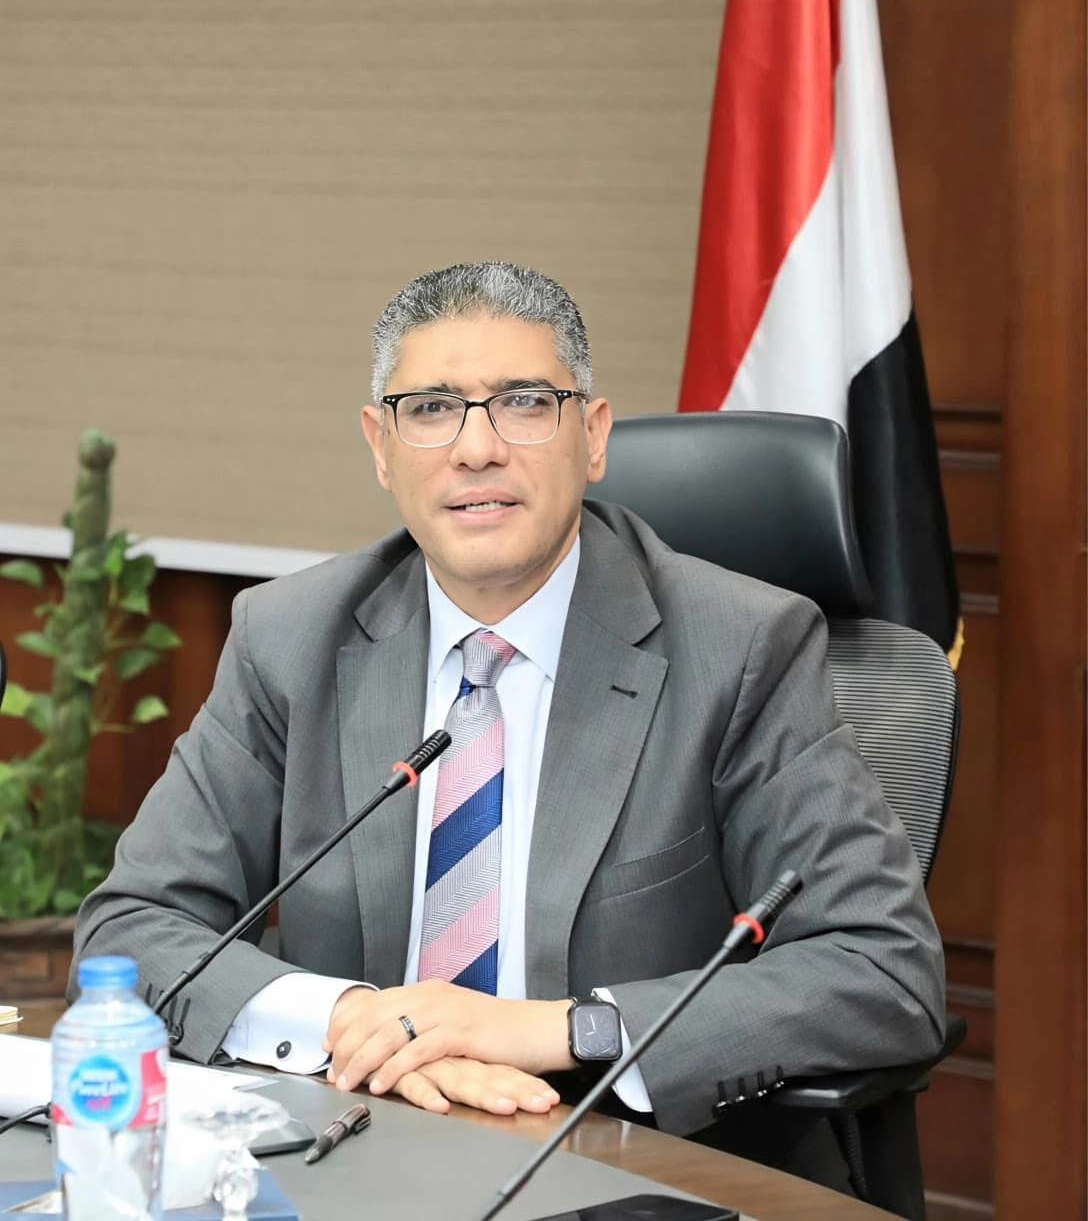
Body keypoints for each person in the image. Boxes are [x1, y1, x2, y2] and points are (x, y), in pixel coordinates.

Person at [72, 261, 945, 1188]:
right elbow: (133, 925)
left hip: (630, 1171)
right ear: (381, 446)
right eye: (431, 409)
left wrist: (556, 1030)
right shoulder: (290, 638)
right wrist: (357, 1021)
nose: (477, 449)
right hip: (352, 1157)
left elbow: (882, 968)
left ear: (593, 436)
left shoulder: (740, 648)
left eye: (524, 403)